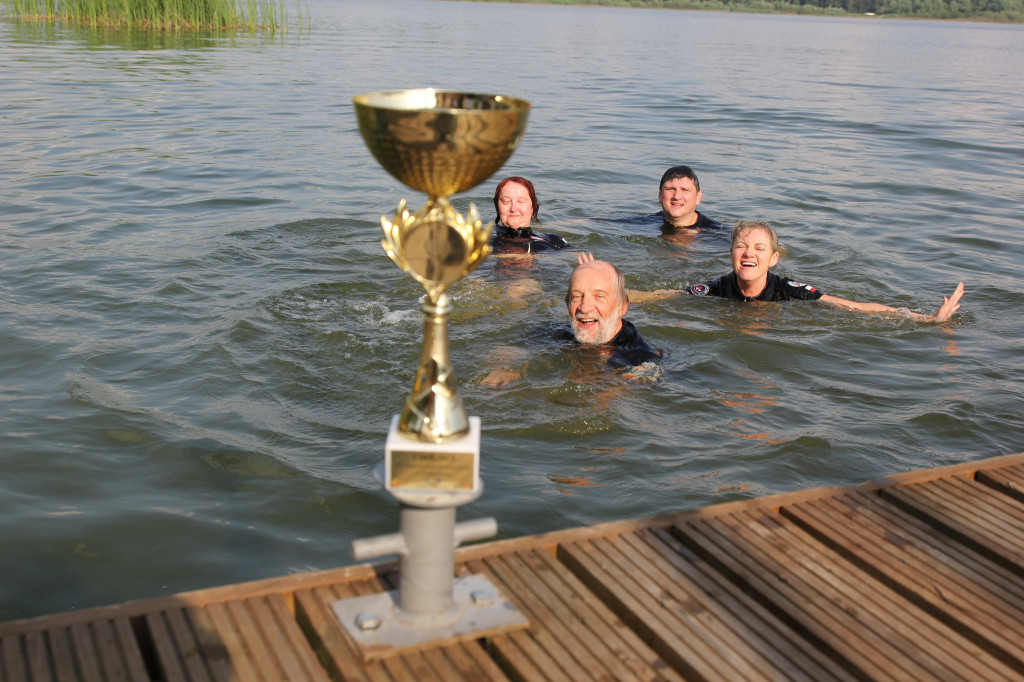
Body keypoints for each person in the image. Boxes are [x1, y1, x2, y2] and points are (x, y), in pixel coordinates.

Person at [687, 220, 964, 322]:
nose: (749, 253)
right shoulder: (716, 289)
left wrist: (927, 318)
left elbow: (852, 306)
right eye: (742, 246)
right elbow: (661, 296)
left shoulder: (789, 290)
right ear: (732, 254)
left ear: (773, 259)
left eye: (759, 248)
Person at [568, 255, 661, 367]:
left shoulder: (639, 361)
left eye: (599, 296)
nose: (584, 308)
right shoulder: (561, 332)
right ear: (567, 303)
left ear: (622, 307)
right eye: (577, 296)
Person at [490, 176, 569, 254]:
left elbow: (576, 257)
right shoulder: (485, 243)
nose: (513, 209)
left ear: (533, 207)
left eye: (521, 201)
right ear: (497, 206)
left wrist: (581, 267)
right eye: (506, 201)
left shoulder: (555, 241)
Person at [657, 165, 723, 233]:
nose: (677, 196)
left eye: (685, 190)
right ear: (660, 195)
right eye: (670, 189)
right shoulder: (647, 223)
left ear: (698, 197)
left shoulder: (718, 233)